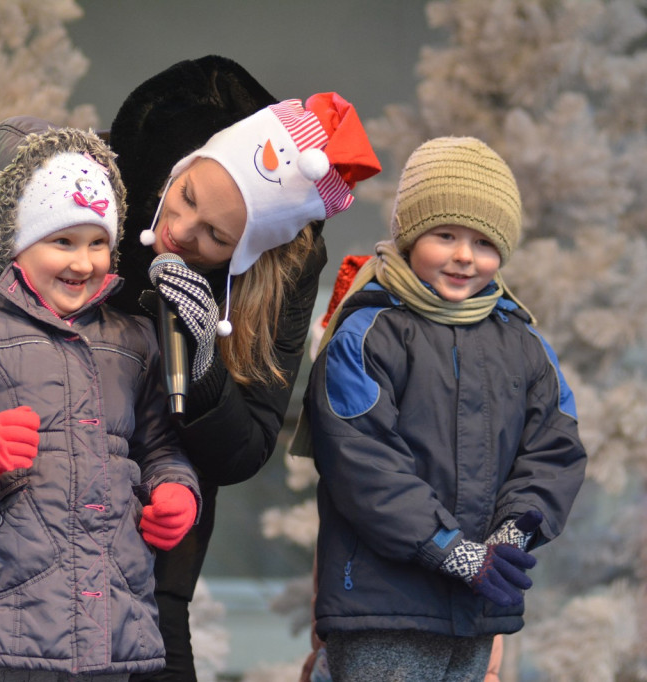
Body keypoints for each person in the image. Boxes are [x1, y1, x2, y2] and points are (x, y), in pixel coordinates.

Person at [0, 125, 202, 682]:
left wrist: (176, 490)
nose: (84, 263)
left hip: (110, 624)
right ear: (17, 241)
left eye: (97, 243)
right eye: (62, 242)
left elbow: (159, 447)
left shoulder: (133, 339)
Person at [106, 56, 381, 681]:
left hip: (167, 517)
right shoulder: (109, 186)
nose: (179, 231)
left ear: (247, 251)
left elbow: (247, 445)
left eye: (214, 236)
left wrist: (200, 362)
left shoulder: (285, 266)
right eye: (185, 198)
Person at [305, 136, 587, 680]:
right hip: (385, 610)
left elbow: (554, 448)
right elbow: (363, 464)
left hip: (477, 612)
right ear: (411, 235)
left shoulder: (523, 343)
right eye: (445, 235)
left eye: (484, 241)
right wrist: (453, 551)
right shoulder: (370, 333)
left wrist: (512, 534)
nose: (464, 256)